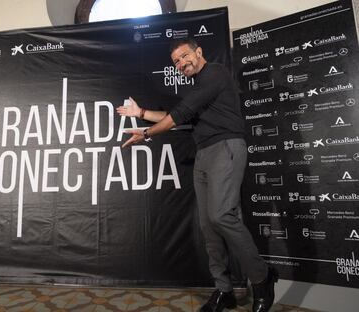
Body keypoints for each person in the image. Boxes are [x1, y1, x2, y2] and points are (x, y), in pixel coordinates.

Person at [117, 38, 278, 312]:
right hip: (204, 154)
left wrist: (145, 132)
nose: (181, 64)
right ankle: (224, 290)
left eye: (184, 56)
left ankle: (263, 277)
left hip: (225, 147)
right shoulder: (200, 89)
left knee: (221, 216)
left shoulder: (214, 73)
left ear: (198, 52)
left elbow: (180, 114)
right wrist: (141, 112)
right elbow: (179, 115)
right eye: (176, 62)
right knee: (208, 226)